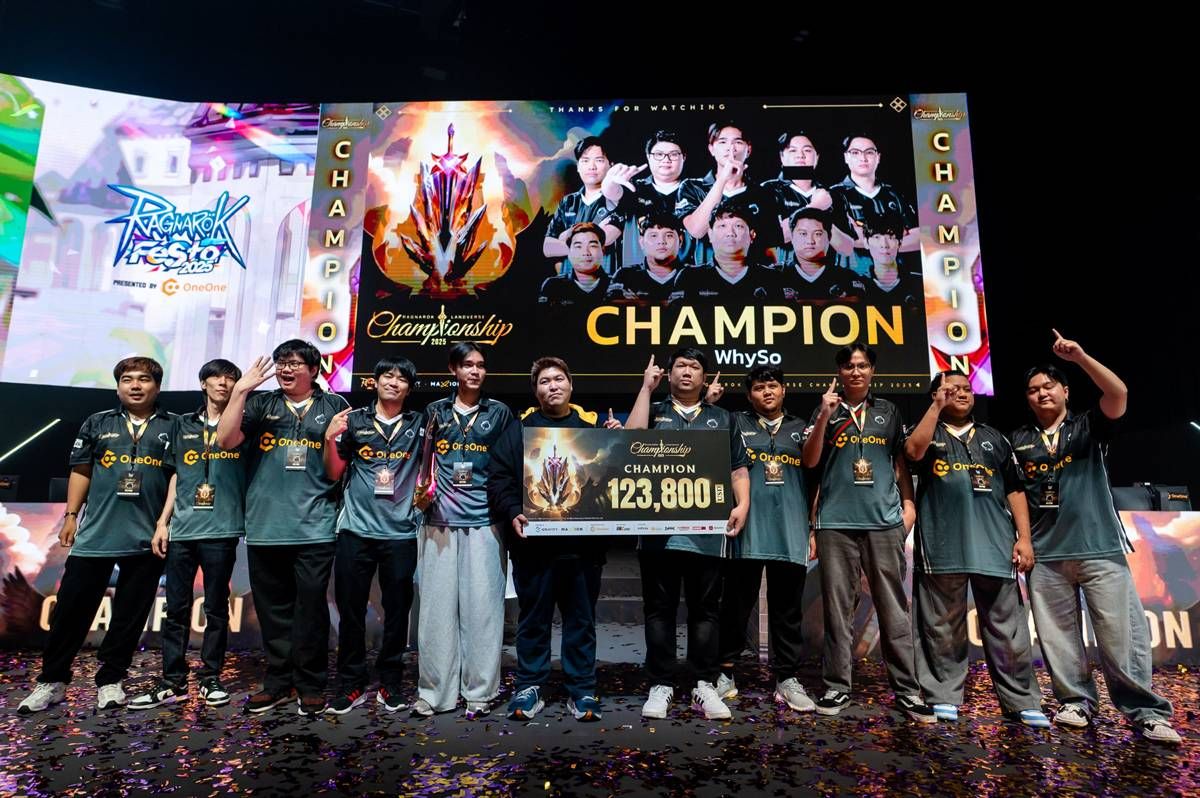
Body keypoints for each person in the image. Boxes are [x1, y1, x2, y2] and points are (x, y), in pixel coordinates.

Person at [1012, 331, 1181, 744]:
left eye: (1049, 386)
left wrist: (1081, 357)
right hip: (1046, 554)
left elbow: (1118, 394)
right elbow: (1015, 495)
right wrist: (1024, 541)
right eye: (1033, 390)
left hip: (1099, 547)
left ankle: (1146, 712)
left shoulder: (1088, 425)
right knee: (1058, 638)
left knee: (1121, 635)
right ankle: (1075, 701)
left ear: (1065, 391)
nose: (1041, 393)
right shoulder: (1019, 441)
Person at [19, 357, 173, 715]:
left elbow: (178, 476)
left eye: (144, 379)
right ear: (118, 387)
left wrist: (164, 522)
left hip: (147, 538)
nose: (135, 386)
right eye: (127, 379)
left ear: (157, 386)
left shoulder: (174, 426)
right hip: (96, 536)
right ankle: (52, 680)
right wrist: (71, 515)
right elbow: (81, 470)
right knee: (70, 612)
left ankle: (111, 680)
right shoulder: (97, 422)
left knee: (129, 616)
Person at [904, 370, 1049, 728]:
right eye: (951, 389)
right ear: (936, 395)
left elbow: (1014, 489)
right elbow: (912, 452)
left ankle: (1021, 700)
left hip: (995, 545)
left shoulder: (994, 438)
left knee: (1007, 629)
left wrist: (1024, 537)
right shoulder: (927, 430)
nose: (962, 393)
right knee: (941, 628)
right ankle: (942, 695)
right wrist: (936, 408)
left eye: (966, 388)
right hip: (941, 547)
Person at [215, 339, 349, 716]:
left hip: (315, 526)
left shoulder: (334, 406)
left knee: (311, 608)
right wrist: (241, 390)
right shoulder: (262, 404)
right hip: (265, 525)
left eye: (294, 363)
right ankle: (278, 682)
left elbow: (335, 471)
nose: (286, 369)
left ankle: (310, 683)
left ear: (314, 369)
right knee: (273, 610)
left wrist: (330, 439)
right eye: (281, 363)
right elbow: (225, 440)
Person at [800, 343, 933, 722]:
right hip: (836, 524)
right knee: (838, 610)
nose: (855, 371)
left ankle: (907, 691)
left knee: (894, 609)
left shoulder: (888, 411)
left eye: (862, 365)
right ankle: (837, 687)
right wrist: (824, 417)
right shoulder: (826, 409)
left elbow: (900, 462)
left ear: (872, 370)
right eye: (848, 366)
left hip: (883, 523)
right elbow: (810, 461)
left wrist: (908, 507)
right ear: (839, 372)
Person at [487, 357, 621, 722]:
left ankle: (582, 689)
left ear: (571, 385)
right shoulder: (518, 431)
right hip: (534, 549)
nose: (553, 386)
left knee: (581, 621)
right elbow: (498, 479)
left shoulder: (591, 430)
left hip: (583, 550)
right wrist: (512, 510)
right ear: (536, 391)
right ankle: (530, 686)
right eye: (544, 381)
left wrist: (617, 441)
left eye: (559, 379)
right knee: (533, 621)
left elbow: (612, 482)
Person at [626, 347, 750, 720]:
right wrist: (646, 389)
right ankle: (661, 683)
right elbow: (628, 442)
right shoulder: (655, 411)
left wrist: (742, 504)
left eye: (694, 367)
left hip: (707, 533)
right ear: (669, 374)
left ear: (703, 377)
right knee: (659, 610)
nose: (686, 371)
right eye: (680, 365)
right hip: (656, 531)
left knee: (705, 610)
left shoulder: (722, 418)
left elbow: (738, 468)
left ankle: (703, 684)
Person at [128, 359, 247, 710]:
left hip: (221, 529)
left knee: (216, 608)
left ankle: (210, 677)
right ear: (203, 384)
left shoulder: (243, 424)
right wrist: (163, 522)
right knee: (176, 609)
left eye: (230, 379)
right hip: (182, 530)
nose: (223, 383)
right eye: (216, 377)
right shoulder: (183, 424)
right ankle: (173, 680)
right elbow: (176, 475)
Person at [413, 342, 515, 718]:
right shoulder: (434, 411)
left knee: (483, 613)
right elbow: (422, 462)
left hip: (485, 523)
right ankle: (435, 693)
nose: (475, 371)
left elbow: (510, 465)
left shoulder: (499, 412)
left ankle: (480, 692)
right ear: (453, 369)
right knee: (435, 613)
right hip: (438, 521)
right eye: (468, 365)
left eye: (481, 365)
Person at [322, 357, 426, 714]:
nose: (393, 382)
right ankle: (351, 683)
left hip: (401, 532)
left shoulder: (420, 423)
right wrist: (329, 438)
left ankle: (390, 682)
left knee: (397, 612)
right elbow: (333, 472)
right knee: (351, 611)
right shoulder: (353, 421)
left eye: (401, 378)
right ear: (374, 381)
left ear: (409, 388)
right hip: (355, 530)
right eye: (387, 376)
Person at [717, 366, 816, 713]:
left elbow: (815, 479)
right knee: (735, 606)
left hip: (790, 530)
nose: (767, 392)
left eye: (773, 386)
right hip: (746, 531)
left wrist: (812, 528)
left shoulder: (802, 428)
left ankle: (786, 678)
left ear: (784, 390)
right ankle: (725, 672)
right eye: (759, 388)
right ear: (749, 395)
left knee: (788, 611)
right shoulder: (735, 423)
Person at [679, 121, 776, 262]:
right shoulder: (692, 187)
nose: (731, 148)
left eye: (738, 142)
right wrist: (723, 179)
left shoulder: (763, 193)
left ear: (748, 149)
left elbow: (770, 246)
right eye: (723, 142)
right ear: (711, 149)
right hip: (704, 272)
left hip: (750, 272)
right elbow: (696, 230)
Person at [601, 130, 697, 265]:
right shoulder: (633, 189)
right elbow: (612, 193)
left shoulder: (697, 191)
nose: (666, 160)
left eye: (674, 154)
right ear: (648, 157)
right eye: (659, 154)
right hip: (640, 273)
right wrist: (609, 181)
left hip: (689, 272)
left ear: (684, 157)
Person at [829, 133, 919, 276]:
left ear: (878, 157)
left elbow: (919, 237)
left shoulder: (894, 194)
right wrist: (894, 237)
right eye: (855, 152)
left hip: (895, 278)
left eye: (869, 152)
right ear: (846, 157)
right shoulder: (834, 195)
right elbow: (841, 243)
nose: (863, 158)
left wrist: (864, 237)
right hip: (852, 276)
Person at [670, 203, 782, 304]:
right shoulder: (690, 278)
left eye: (738, 226)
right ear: (710, 235)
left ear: (752, 235)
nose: (730, 233)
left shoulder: (772, 278)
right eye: (722, 226)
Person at [545, 136, 624, 275]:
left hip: (607, 279)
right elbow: (548, 248)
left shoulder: (617, 199)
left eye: (599, 160)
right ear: (578, 167)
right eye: (585, 160)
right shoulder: (568, 202)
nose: (591, 167)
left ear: (611, 165)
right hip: (570, 281)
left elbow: (606, 238)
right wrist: (591, 236)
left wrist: (565, 237)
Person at [778, 207, 868, 304]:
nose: (810, 241)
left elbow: (857, 301)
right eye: (803, 234)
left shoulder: (847, 278)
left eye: (817, 234)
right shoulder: (775, 275)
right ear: (791, 237)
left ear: (829, 237)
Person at [605, 213, 686, 306]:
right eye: (654, 236)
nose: (661, 241)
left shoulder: (694, 275)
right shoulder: (624, 276)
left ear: (680, 240)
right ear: (642, 242)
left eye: (669, 235)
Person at [539, 223, 611, 307]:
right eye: (578, 247)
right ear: (569, 252)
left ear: (603, 250)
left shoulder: (615, 285)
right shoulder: (553, 286)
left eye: (592, 246)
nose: (586, 253)